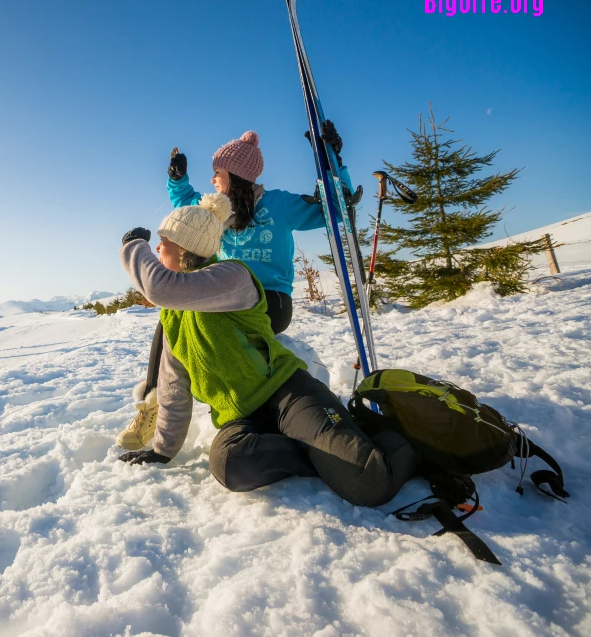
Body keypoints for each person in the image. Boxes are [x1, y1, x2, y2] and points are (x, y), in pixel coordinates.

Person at [115, 195, 417, 507]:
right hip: (243, 419)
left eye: (162, 241)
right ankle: (312, 446)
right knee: (229, 465)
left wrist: (134, 245)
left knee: (367, 479)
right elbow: (173, 388)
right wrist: (161, 452)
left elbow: (159, 287)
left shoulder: (231, 277)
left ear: (183, 247)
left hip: (286, 394)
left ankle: (389, 443)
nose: (157, 248)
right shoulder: (174, 317)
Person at [116, 126, 343, 450]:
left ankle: (250, 402)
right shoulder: (215, 208)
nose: (212, 179)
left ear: (235, 175)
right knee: (172, 321)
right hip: (218, 292)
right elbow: (185, 205)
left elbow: (331, 209)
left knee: (184, 319)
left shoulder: (278, 204)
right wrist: (177, 178)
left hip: (271, 298)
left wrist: (332, 161)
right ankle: (153, 404)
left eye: (217, 172)